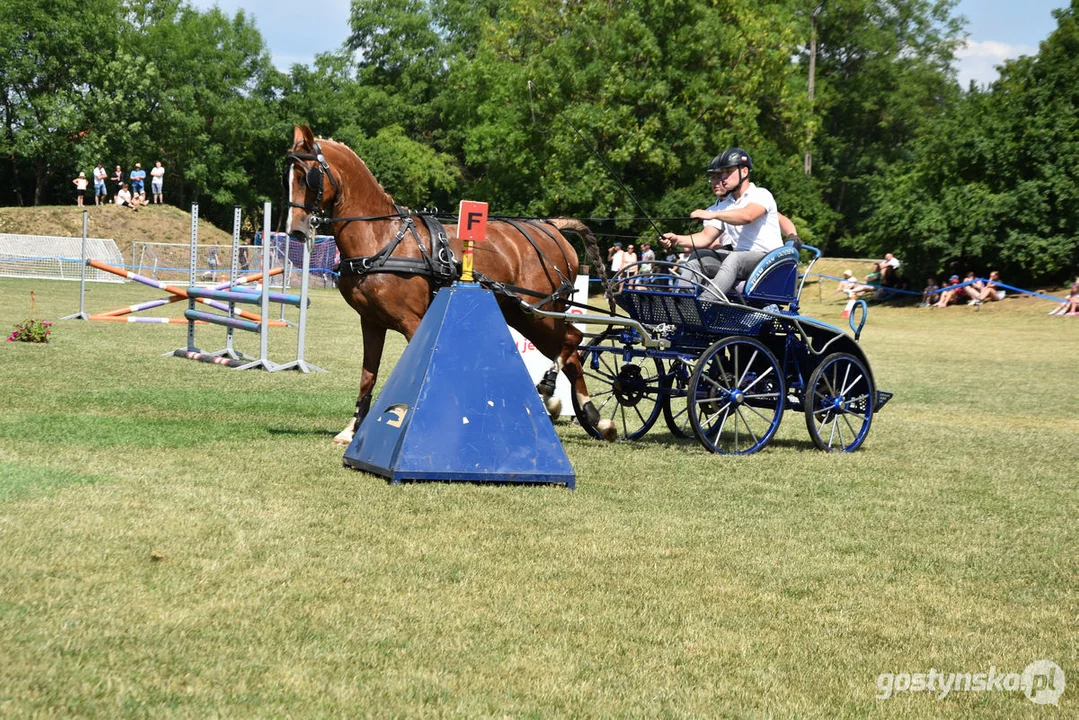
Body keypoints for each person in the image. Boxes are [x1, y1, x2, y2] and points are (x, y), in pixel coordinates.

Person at [661, 148, 796, 299]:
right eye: (722, 173)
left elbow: (747, 216)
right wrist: (676, 239)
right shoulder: (725, 206)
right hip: (741, 261)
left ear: (744, 172)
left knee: (734, 258)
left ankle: (705, 303)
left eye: (728, 172)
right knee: (699, 257)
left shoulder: (761, 195)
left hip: (768, 260)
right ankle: (680, 303)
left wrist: (711, 214)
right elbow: (705, 238)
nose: (723, 178)